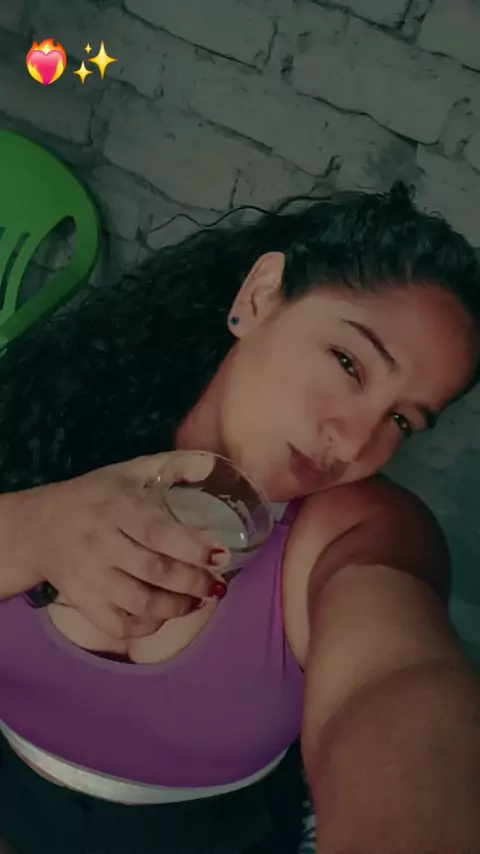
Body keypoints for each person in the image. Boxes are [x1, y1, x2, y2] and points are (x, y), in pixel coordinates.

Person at [0, 181, 479, 854]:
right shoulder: (40, 417)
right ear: (259, 297)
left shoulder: (357, 531)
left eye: (400, 421)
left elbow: (395, 683)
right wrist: (32, 530)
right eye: (349, 362)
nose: (352, 444)